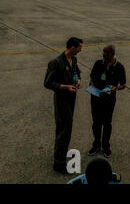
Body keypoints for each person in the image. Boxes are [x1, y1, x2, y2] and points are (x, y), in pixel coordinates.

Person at [44, 37, 83, 174]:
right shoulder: (56, 62)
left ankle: (62, 152)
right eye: (79, 48)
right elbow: (48, 83)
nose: (80, 50)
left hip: (71, 98)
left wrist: (78, 80)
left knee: (68, 127)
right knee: (63, 129)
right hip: (62, 100)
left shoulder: (73, 59)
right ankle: (59, 164)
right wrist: (65, 86)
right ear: (72, 47)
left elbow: (77, 72)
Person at [88, 45, 126, 158]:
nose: (103, 56)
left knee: (107, 123)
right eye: (103, 53)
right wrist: (92, 85)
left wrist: (116, 88)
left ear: (112, 54)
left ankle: (106, 146)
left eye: (106, 54)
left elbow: (123, 84)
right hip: (96, 98)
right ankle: (96, 145)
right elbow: (92, 78)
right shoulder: (98, 63)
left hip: (109, 100)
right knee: (96, 123)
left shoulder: (119, 67)